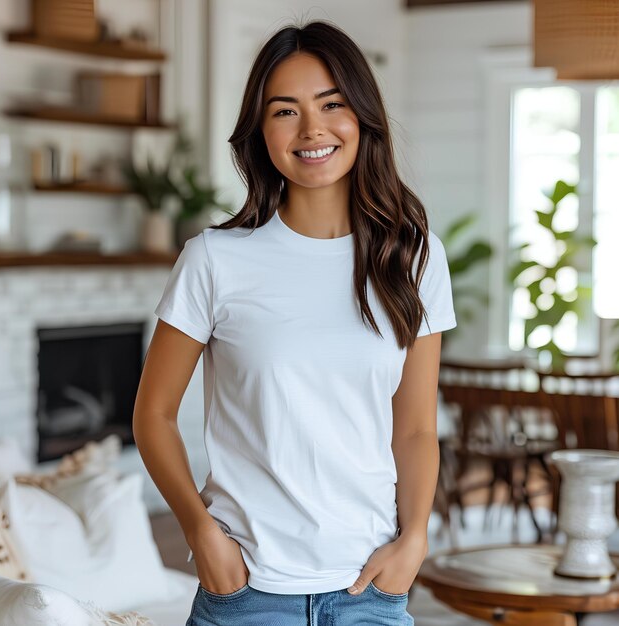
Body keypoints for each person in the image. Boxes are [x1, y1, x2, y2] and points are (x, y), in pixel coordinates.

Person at [132, 18, 456, 626]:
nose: (312, 129)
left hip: (370, 593)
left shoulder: (414, 256)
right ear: (261, 130)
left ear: (362, 115)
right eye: (285, 111)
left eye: (331, 104)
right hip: (247, 592)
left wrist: (414, 539)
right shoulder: (214, 259)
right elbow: (153, 415)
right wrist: (200, 531)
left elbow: (414, 429)